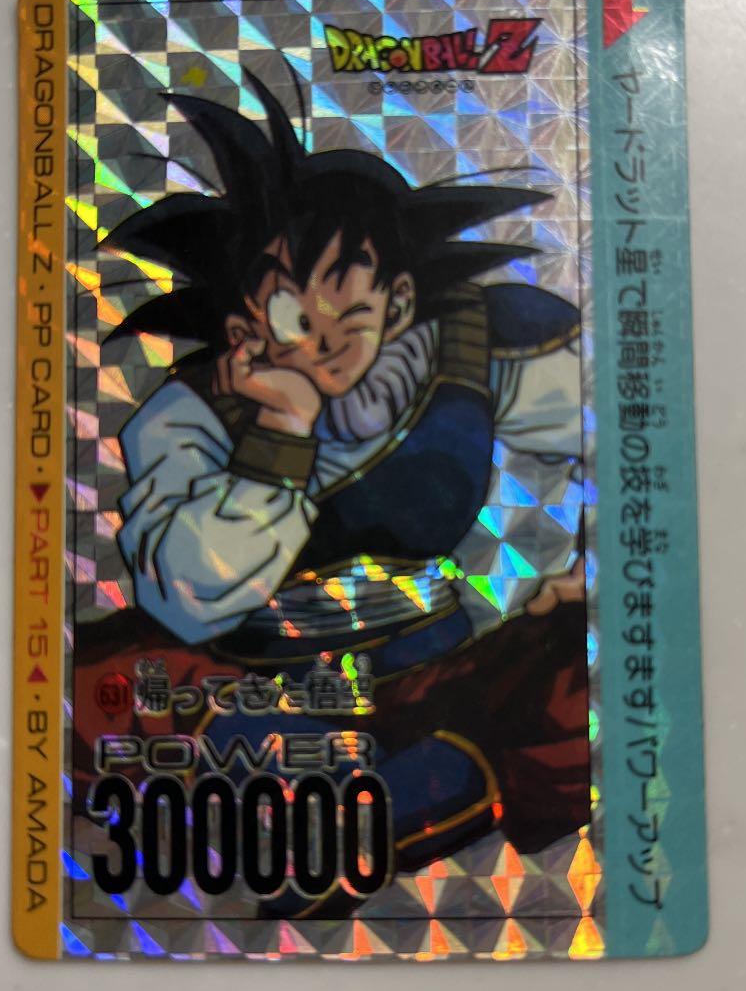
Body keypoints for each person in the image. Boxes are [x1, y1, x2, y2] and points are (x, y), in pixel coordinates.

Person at [77, 65, 590, 908]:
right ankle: (354, 819)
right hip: (252, 678)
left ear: (398, 300)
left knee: (571, 670)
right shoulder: (189, 413)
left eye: (351, 310)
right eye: (292, 317)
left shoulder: (465, 349)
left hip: (430, 661)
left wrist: (588, 573)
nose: (323, 340)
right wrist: (280, 433)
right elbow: (189, 596)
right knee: (112, 693)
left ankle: (384, 807)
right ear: (243, 318)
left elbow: (615, 447)